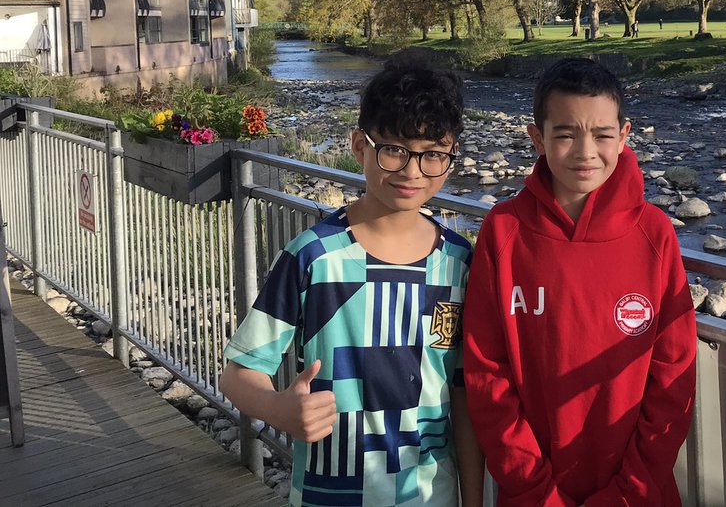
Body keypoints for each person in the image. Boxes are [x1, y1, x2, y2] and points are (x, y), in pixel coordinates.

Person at [219, 53, 483, 507]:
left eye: (433, 155)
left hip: (429, 495)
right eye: (394, 149)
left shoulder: (460, 264)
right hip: (328, 496)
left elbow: (462, 398)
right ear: (360, 146)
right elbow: (239, 374)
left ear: (450, 157)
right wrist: (279, 409)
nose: (412, 171)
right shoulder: (314, 257)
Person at [463, 57, 696, 506]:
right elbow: (487, 374)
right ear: (538, 138)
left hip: (638, 495)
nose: (586, 152)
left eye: (603, 135)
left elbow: (674, 380)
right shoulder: (504, 230)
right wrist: (534, 490)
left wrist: (627, 493)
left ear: (625, 136)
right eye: (566, 134)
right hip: (531, 494)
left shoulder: (654, 232)